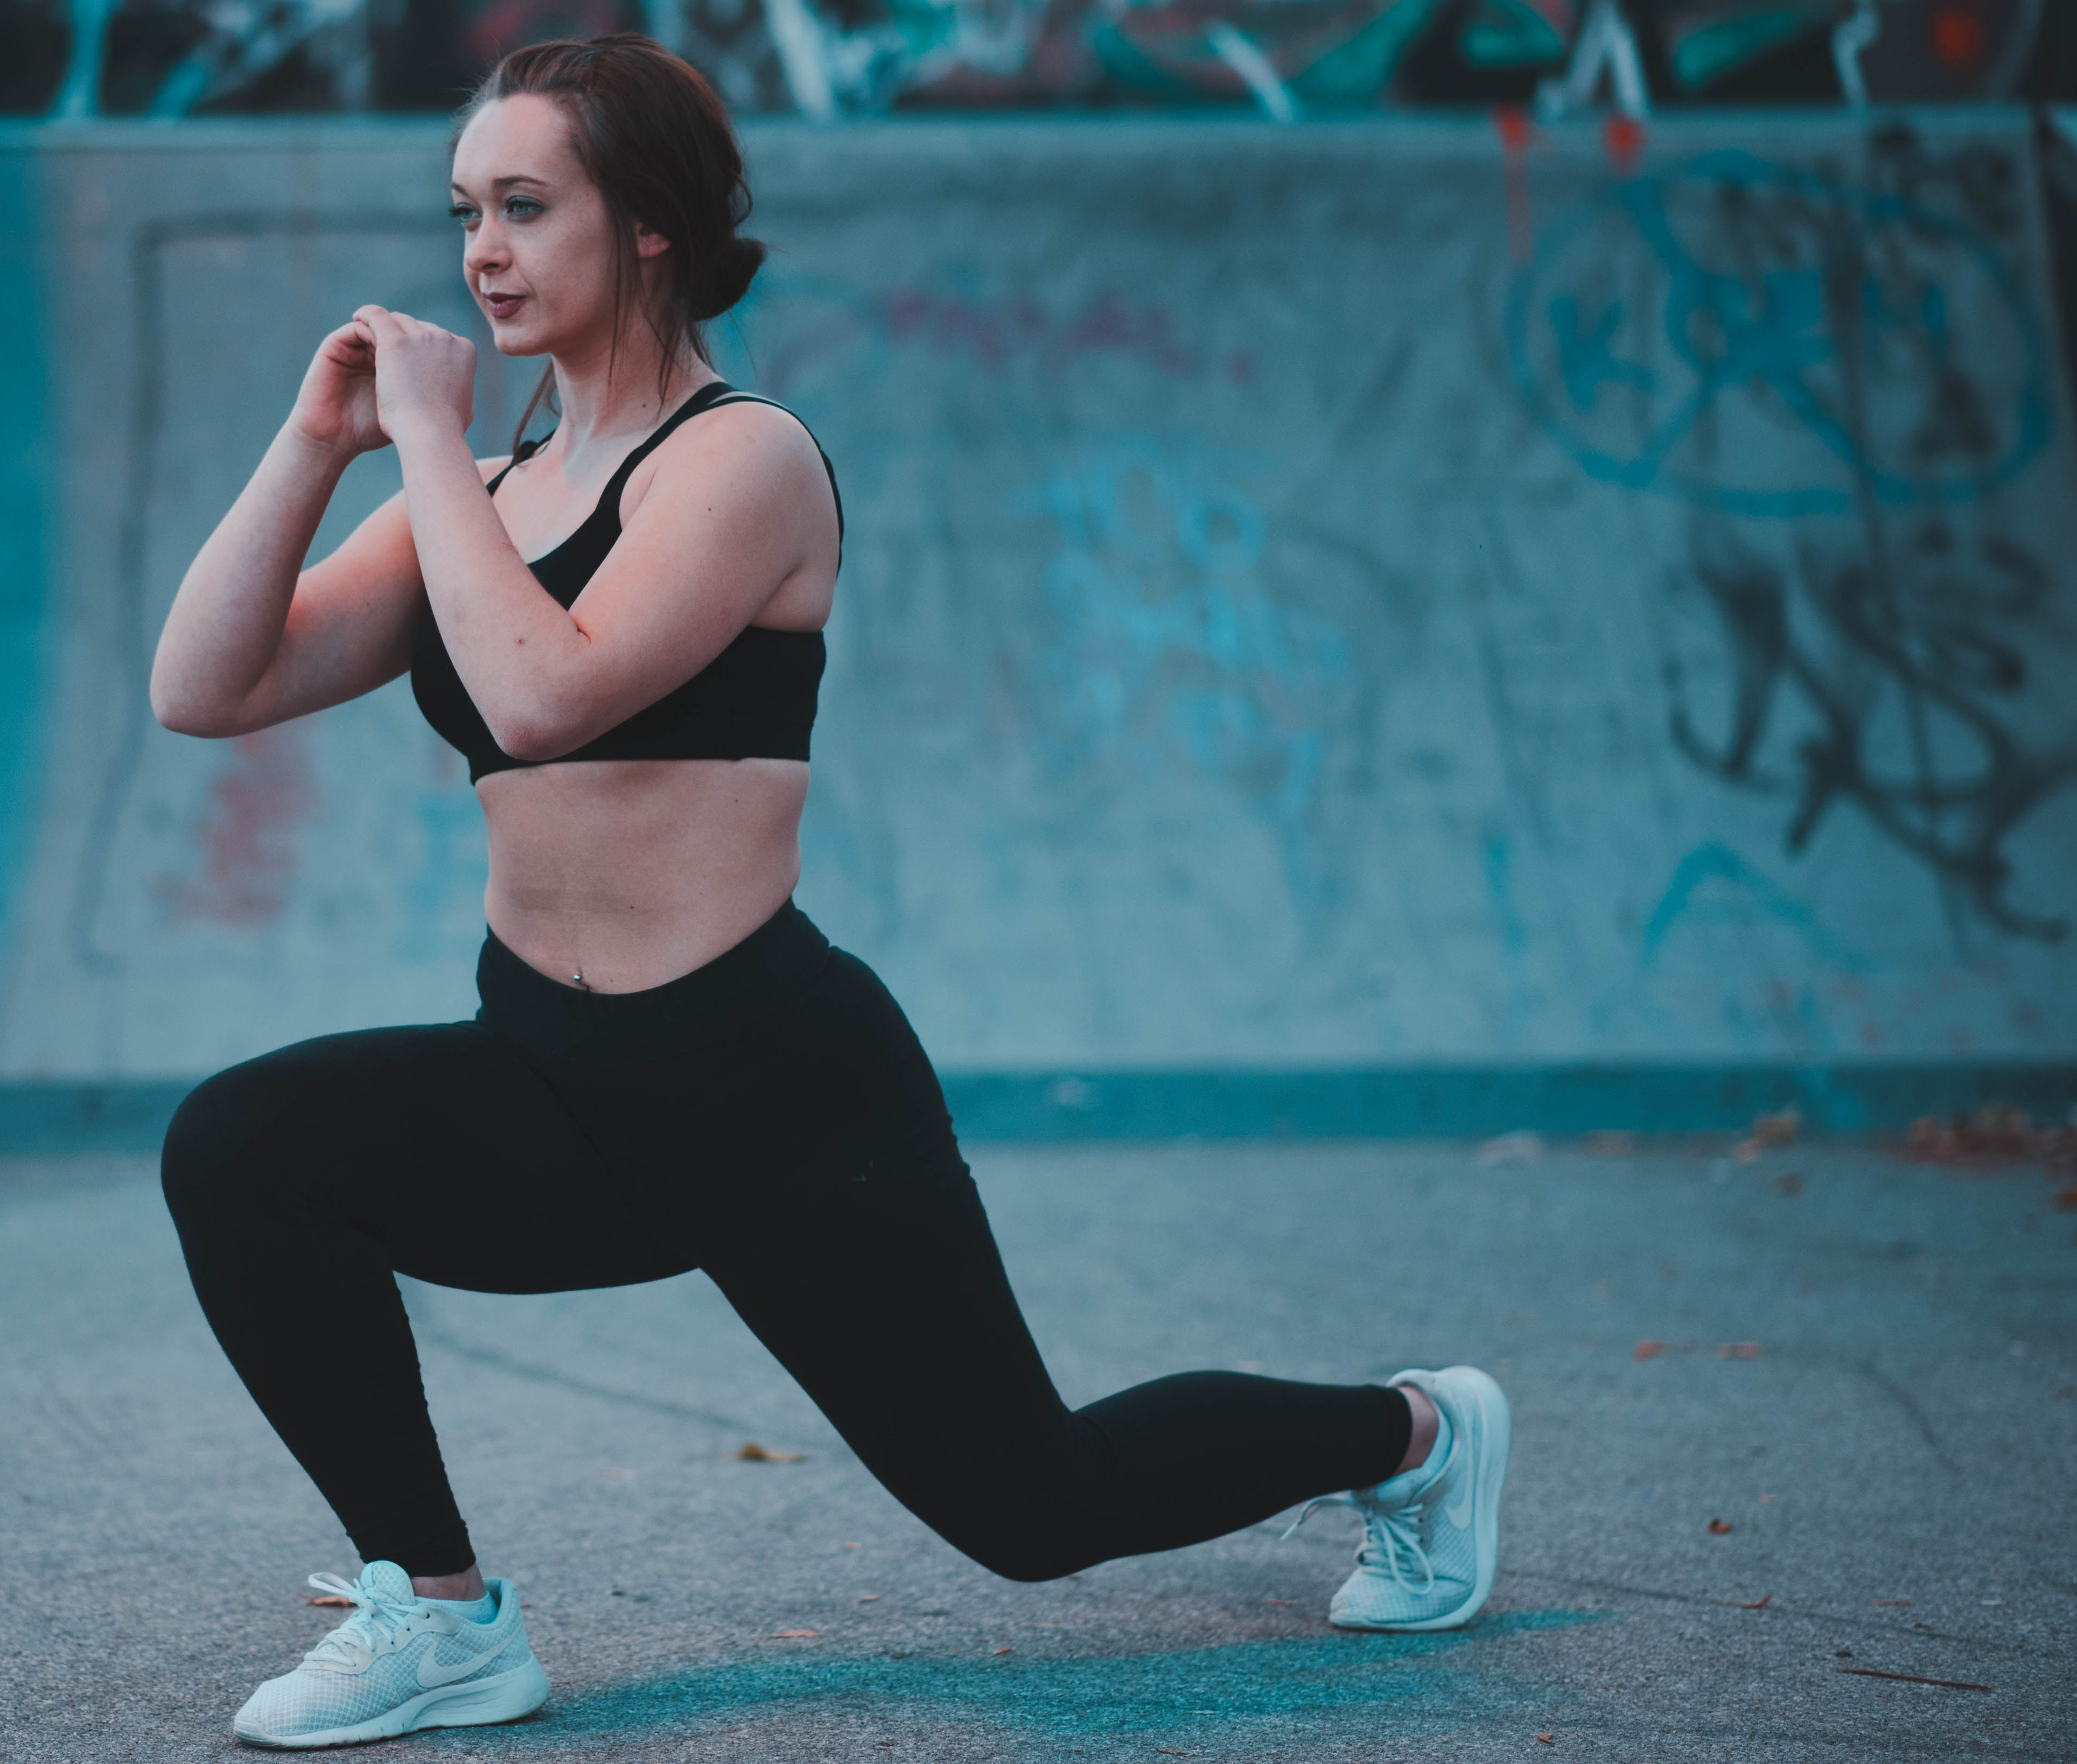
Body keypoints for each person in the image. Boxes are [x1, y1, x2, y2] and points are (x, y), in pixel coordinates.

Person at [148, 33, 1511, 1751]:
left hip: (766, 1090)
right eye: (463, 211)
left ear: (647, 224)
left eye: (523, 205)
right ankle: (435, 1608)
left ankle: (1415, 1433)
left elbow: (548, 693)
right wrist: (314, 440)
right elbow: (205, 688)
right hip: (550, 1078)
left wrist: (424, 447)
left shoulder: (744, 462)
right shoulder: (476, 493)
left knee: (1036, 1508)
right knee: (244, 1145)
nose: (479, 251)